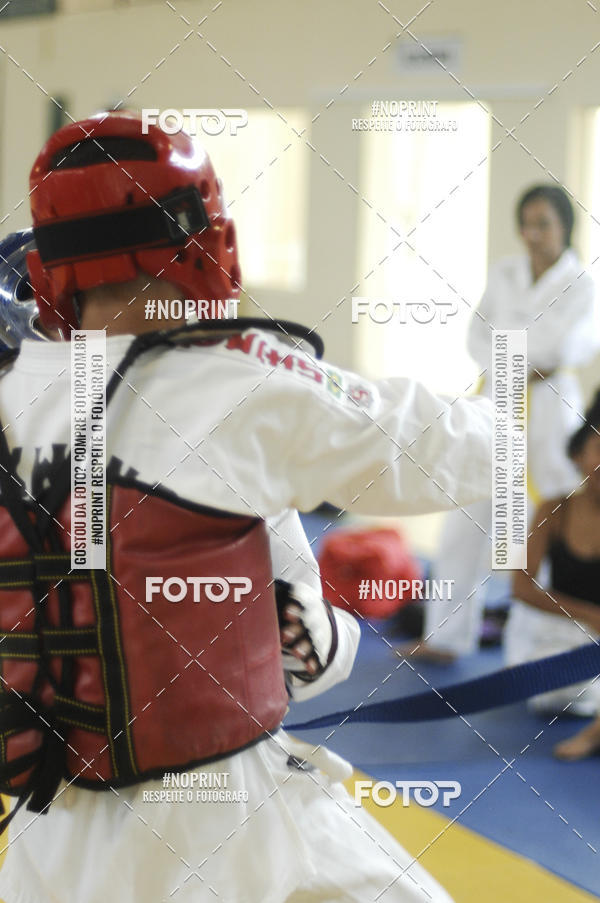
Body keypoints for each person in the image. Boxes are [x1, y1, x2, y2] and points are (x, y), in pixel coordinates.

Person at [0, 111, 493, 903]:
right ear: (198, 234)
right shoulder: (237, 382)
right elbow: (447, 454)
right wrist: (543, 425)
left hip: (48, 835)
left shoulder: (15, 389)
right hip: (223, 819)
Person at [413, 184, 598, 664]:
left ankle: (554, 650)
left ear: (565, 228)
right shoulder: (505, 272)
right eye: (527, 224)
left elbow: (567, 348)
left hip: (552, 411)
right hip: (497, 405)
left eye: (544, 225)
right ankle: (446, 638)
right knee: (466, 517)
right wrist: (513, 356)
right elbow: (478, 332)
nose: (533, 235)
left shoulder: (583, 283)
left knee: (555, 526)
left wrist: (512, 351)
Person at [511, 391, 600, 731]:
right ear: (579, 455)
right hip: (568, 631)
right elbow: (521, 587)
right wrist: (591, 616)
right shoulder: (554, 509)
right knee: (558, 692)